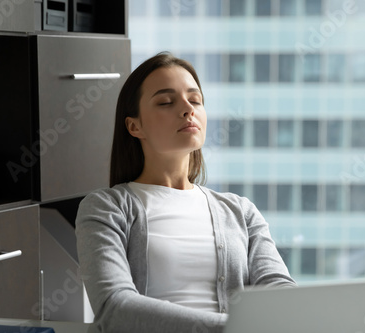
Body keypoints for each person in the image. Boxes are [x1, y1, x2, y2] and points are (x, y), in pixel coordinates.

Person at [75, 52, 296, 333]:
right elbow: (114, 309)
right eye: (166, 102)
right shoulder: (106, 208)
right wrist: (234, 329)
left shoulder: (240, 211)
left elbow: (282, 296)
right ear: (135, 125)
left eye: (195, 100)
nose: (187, 109)